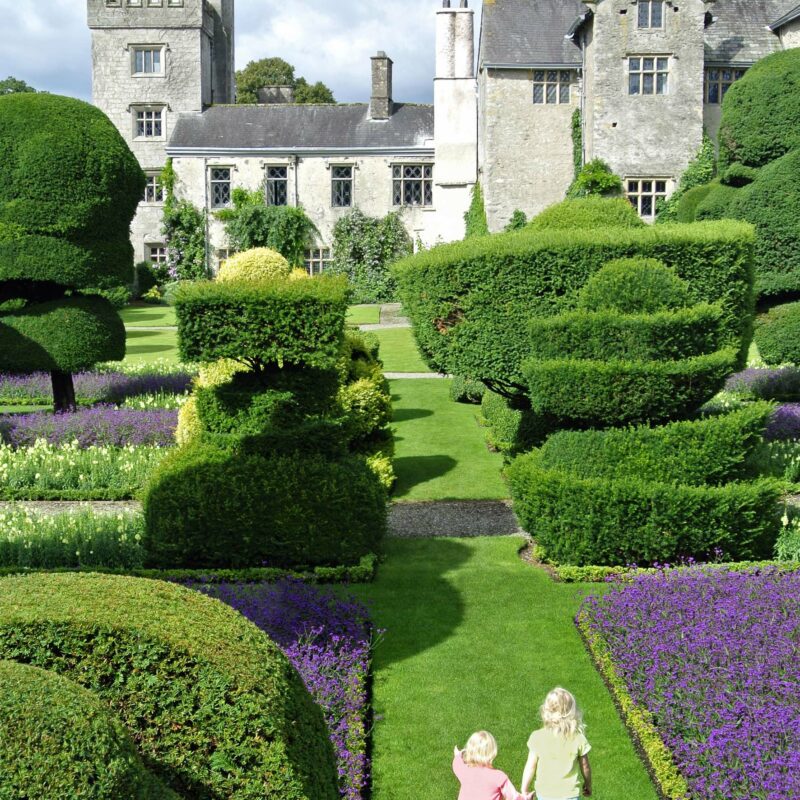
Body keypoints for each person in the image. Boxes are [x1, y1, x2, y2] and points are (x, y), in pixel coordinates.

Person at [520, 688, 592, 800]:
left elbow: (530, 766)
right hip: (570, 794)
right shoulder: (578, 738)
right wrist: (588, 784)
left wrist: (524, 790)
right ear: (572, 713)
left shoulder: (537, 737)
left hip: (545, 794)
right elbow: (585, 766)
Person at [453, 730, 532, 800]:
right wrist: (526, 798)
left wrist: (459, 753)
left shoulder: (464, 770)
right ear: (492, 752)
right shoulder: (498, 777)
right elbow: (514, 797)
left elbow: (457, 762)